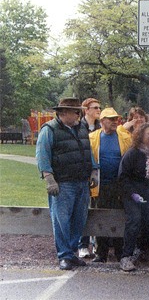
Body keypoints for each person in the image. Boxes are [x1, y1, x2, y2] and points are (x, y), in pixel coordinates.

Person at [36, 97, 95, 270]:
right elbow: (42, 155)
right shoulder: (49, 130)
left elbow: (87, 150)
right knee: (61, 221)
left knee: (79, 220)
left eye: (79, 111)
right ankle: (64, 255)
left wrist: (93, 170)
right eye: (75, 111)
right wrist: (49, 179)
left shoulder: (81, 127)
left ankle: (71, 254)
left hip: (81, 182)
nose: (78, 114)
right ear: (62, 112)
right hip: (63, 183)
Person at [90, 107, 132, 263]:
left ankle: (120, 253)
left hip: (119, 185)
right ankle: (101, 253)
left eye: (116, 119)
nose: (115, 122)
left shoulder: (125, 137)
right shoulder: (92, 138)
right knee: (100, 218)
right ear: (102, 121)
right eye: (111, 119)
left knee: (120, 218)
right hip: (100, 186)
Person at [118, 123, 149, 271]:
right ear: (140, 136)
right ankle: (126, 256)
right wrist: (133, 194)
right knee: (134, 219)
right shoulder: (132, 154)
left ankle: (142, 248)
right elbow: (123, 177)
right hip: (132, 194)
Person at [78, 97, 102, 258]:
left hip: (98, 173)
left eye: (99, 107)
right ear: (86, 110)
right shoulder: (79, 128)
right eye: (95, 107)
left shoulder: (101, 127)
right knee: (83, 209)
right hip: (83, 173)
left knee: (97, 207)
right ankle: (82, 244)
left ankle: (97, 243)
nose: (98, 110)